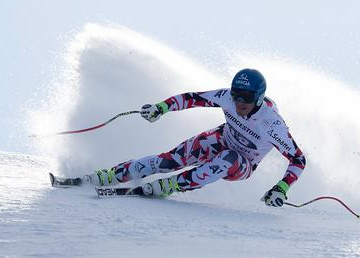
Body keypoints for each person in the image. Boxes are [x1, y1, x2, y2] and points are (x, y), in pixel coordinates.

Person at [88, 68, 306, 207]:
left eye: (246, 97)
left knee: (229, 157)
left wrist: (281, 188)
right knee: (169, 161)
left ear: (258, 98)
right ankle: (112, 175)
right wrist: (161, 107)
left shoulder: (272, 124)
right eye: (235, 94)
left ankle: (172, 185)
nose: (239, 102)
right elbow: (193, 98)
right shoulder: (227, 98)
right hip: (222, 138)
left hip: (243, 163)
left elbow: (298, 160)